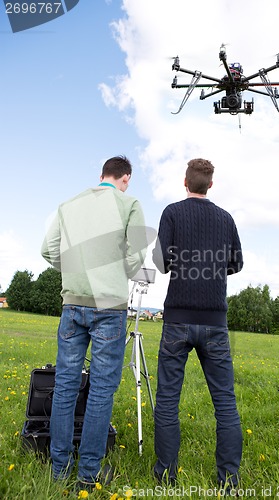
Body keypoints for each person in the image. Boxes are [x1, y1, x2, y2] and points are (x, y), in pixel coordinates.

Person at [41, 155, 147, 489]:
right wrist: (116, 273)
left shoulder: (68, 204)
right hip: (109, 306)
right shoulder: (130, 203)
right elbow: (139, 252)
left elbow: (48, 250)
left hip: (72, 304)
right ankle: (88, 475)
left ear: (103, 174)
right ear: (125, 177)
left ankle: (58, 472)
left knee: (65, 387)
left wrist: (76, 269)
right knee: (101, 391)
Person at [152, 158, 243, 492]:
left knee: (167, 401)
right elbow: (237, 262)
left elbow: (161, 263)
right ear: (210, 184)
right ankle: (229, 482)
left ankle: (165, 476)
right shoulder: (226, 218)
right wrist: (213, 269)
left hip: (177, 320)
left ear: (185, 182)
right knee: (225, 404)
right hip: (215, 322)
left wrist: (183, 263)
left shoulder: (172, 212)